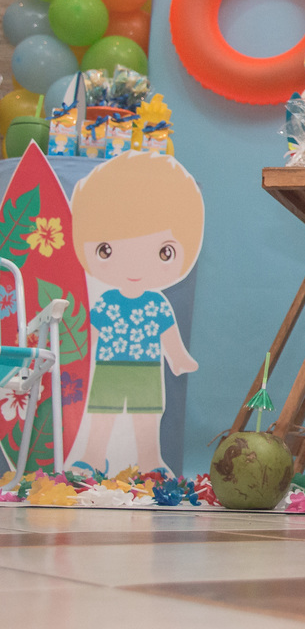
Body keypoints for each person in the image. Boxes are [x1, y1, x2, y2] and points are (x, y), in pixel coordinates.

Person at [70, 152, 205, 475]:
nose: (133, 266)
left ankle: (149, 461)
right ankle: (93, 456)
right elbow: (91, 333)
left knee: (147, 418)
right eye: (107, 250)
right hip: (109, 368)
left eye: (163, 252)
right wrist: (80, 357)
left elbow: (167, 332)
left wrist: (178, 357)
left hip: (146, 370)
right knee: (102, 415)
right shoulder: (106, 302)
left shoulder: (156, 304)